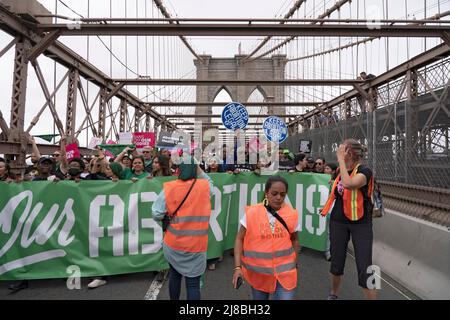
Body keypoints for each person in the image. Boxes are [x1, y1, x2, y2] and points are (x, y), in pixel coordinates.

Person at [320, 139, 377, 300]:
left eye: (341, 150)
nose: (338, 152)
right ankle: (333, 294)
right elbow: (339, 193)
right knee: (336, 262)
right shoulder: (341, 170)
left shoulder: (365, 171)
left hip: (361, 224)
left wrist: (340, 161)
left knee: (366, 266)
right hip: (339, 221)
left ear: (349, 153)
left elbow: (350, 184)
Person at [151, 158, 213, 300]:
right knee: (193, 284)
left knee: (174, 275)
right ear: (195, 170)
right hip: (197, 246)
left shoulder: (170, 187)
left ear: (178, 170)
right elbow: (210, 182)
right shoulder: (204, 187)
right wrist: (198, 168)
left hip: (174, 244)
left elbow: (156, 214)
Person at [232, 176, 300, 300]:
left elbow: (295, 240)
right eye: (274, 193)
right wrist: (237, 267)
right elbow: (239, 239)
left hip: (285, 275)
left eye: (282, 194)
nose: (278, 198)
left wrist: (294, 261)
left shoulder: (292, 214)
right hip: (259, 275)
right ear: (266, 192)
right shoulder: (252, 213)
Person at [323, 162, 338, 261]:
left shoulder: (338, 181)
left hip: (331, 209)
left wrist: (333, 184)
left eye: (327, 168)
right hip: (321, 208)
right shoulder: (319, 179)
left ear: (333, 171)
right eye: (325, 168)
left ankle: (328, 251)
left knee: (330, 231)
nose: (325, 170)